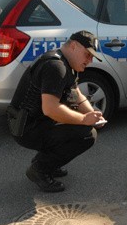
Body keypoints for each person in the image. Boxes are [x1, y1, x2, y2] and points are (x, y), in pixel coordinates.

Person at [8, 30, 105, 193]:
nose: (90, 60)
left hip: (33, 122)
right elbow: (50, 108)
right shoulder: (56, 66)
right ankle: (40, 169)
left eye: (92, 56)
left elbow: (76, 93)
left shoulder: (65, 63)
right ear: (74, 46)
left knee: (81, 126)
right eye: (87, 54)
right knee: (87, 134)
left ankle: (48, 162)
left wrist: (93, 115)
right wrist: (83, 120)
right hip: (26, 128)